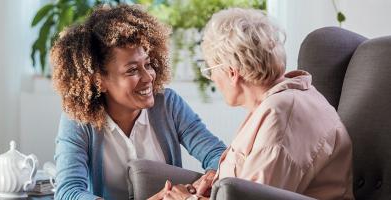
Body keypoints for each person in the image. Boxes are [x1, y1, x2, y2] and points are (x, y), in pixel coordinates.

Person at [151, 8, 353, 200]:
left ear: (231, 72)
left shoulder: (280, 116)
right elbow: (253, 184)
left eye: (210, 69)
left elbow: (255, 196)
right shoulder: (286, 101)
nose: (211, 77)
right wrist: (216, 182)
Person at [50, 5, 227, 200]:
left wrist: (208, 179)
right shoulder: (78, 120)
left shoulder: (168, 104)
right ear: (98, 80)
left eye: (148, 64)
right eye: (132, 70)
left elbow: (218, 155)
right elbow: (68, 192)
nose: (148, 77)